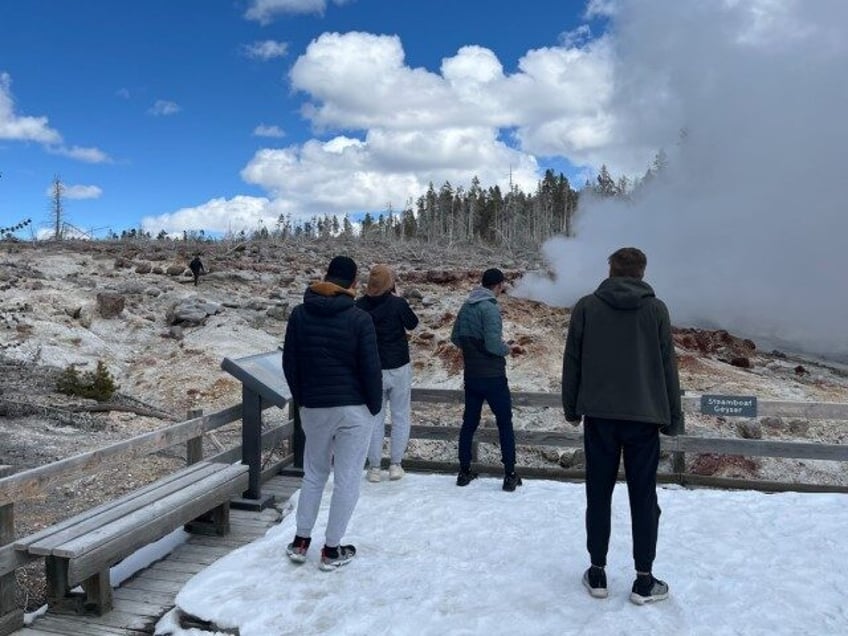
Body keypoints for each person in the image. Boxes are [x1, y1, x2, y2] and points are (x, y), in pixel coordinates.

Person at [562, 247, 683, 605]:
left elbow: (573, 359)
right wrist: (673, 418)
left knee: (597, 494)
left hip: (599, 417)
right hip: (644, 418)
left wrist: (572, 407)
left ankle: (597, 572)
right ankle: (644, 580)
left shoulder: (586, 306)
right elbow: (667, 365)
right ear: (642, 273)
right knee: (644, 498)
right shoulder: (656, 309)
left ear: (611, 270)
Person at [282, 255, 382, 570]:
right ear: (354, 284)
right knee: (347, 478)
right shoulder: (359, 318)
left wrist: (303, 399)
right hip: (353, 409)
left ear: (325, 277)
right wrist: (374, 406)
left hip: (314, 407)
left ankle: (300, 542)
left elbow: (290, 363)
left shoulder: (300, 314)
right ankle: (331, 549)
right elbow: (370, 368)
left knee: (314, 474)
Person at [450, 268, 522, 492]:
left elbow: (455, 337)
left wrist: (472, 351)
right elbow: (493, 345)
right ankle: (509, 475)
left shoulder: (466, 305)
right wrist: (507, 349)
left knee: (469, 423)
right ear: (498, 285)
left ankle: (464, 472)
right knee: (504, 423)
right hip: (493, 377)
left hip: (472, 376)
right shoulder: (490, 308)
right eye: (503, 285)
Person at [356, 264, 419, 482]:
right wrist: (399, 298)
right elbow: (413, 324)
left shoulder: (359, 306)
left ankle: (374, 467)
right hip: (399, 365)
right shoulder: (397, 304)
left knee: (375, 418)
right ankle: (395, 464)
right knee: (401, 415)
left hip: (373, 368)